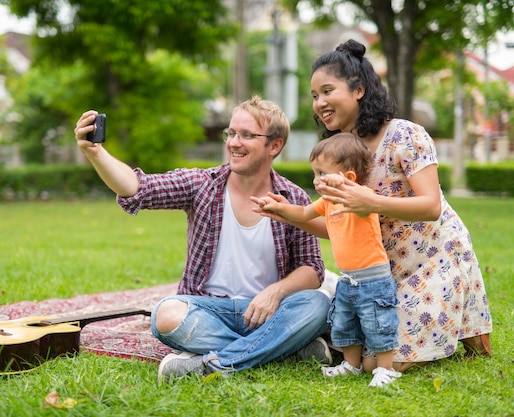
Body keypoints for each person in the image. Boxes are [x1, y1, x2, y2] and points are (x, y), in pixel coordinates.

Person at [73, 95, 333, 381]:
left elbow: (312, 269)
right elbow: (138, 188)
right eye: (231, 133)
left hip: (266, 314)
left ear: (274, 145)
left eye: (247, 135)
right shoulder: (202, 184)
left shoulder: (292, 197)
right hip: (209, 310)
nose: (234, 142)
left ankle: (214, 363)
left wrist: (275, 292)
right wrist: (96, 153)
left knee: (317, 304)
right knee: (166, 315)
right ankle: (284, 350)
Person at [305, 39, 492, 372]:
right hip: (380, 276)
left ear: (358, 90)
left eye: (327, 91)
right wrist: (285, 214)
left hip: (433, 261)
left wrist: (370, 202)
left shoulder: (405, 135)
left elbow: (431, 205)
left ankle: (455, 325)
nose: (320, 103)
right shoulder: (340, 153)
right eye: (315, 96)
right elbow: (337, 224)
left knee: (378, 362)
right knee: (359, 355)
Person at [252, 132, 401, 387]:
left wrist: (353, 194)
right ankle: (351, 365)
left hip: (373, 280)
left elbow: (362, 199)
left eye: (322, 173)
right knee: (345, 324)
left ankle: (386, 369)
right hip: (348, 279)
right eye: (315, 173)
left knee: (379, 324)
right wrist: (279, 206)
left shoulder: (361, 198)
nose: (316, 180)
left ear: (349, 178)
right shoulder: (328, 202)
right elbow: (303, 212)